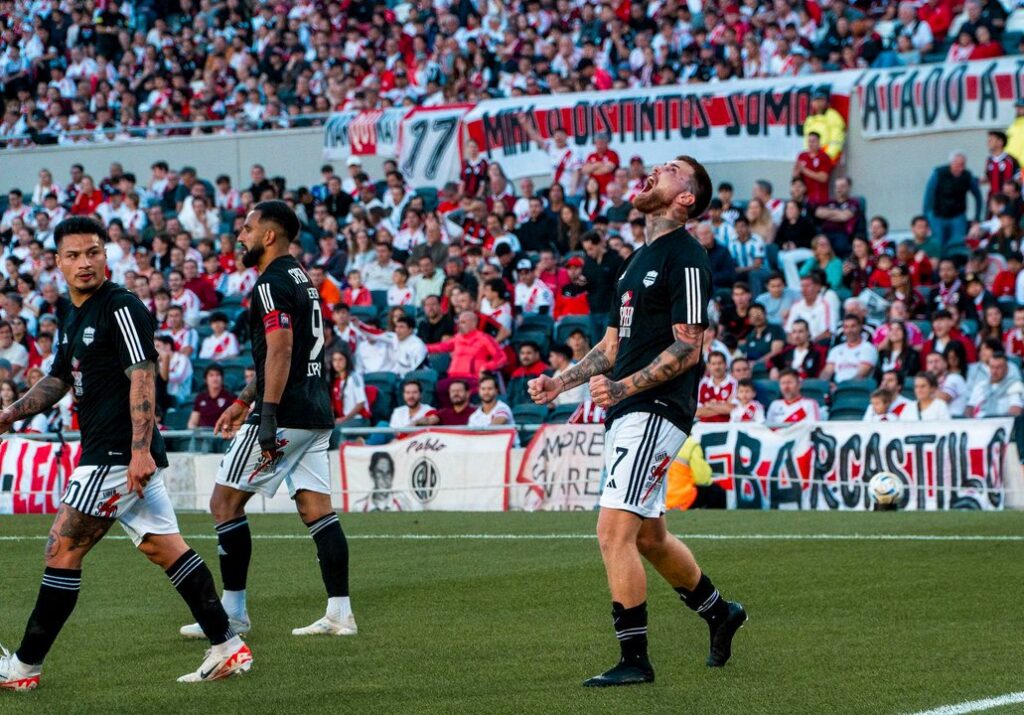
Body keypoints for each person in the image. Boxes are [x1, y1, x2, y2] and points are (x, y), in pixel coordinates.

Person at [0, 217, 252, 688]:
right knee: (166, 548)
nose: (84, 262)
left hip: (116, 454)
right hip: (116, 452)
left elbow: (142, 374)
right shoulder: (72, 312)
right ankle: (227, 646)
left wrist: (139, 451)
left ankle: (24, 667)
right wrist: (11, 413)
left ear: (105, 255)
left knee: (63, 548)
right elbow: (58, 378)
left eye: (93, 252)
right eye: (73, 255)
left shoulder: (121, 307)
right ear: (56, 262)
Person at [528, 156, 746, 688]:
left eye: (670, 169)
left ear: (685, 197)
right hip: (629, 409)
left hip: (655, 408)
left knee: (611, 533)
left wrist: (626, 387)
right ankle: (720, 612)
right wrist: (562, 381)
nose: (655, 169)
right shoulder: (634, 261)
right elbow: (611, 345)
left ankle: (635, 660)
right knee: (648, 537)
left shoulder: (686, 257)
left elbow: (689, 347)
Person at [178, 201, 355, 641]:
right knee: (317, 509)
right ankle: (340, 613)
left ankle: (233, 615)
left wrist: (266, 415)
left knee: (223, 504)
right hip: (315, 411)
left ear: (269, 235)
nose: (241, 234)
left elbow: (280, 349)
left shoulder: (270, 284)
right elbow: (282, 354)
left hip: (286, 413)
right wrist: (242, 400)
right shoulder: (302, 279)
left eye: (248, 227)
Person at [922, 152, 983, 255]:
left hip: (957, 216)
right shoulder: (938, 174)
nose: (960, 168)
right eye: (957, 165)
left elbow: (978, 196)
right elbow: (928, 196)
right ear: (951, 163)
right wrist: (925, 218)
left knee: (957, 245)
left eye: (962, 165)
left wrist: (977, 218)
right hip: (938, 216)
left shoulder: (967, 176)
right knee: (938, 245)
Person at [822, 315, 878, 384]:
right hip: (837, 388)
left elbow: (861, 375)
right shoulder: (836, 350)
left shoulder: (868, 348)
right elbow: (827, 372)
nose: (849, 330)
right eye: (846, 327)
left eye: (853, 326)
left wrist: (842, 387)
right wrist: (824, 384)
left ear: (860, 327)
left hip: (858, 388)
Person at [966, 351, 1024, 417]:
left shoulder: (1015, 385)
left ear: (1006, 369)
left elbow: (1016, 410)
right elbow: (970, 408)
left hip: (1002, 424)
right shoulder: (980, 386)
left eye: (998, 367)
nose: (994, 371)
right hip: (978, 424)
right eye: (992, 367)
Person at [188, 365, 237, 429]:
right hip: (203, 436)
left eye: (218, 375)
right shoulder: (200, 398)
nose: (215, 378)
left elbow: (236, 421)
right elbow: (192, 423)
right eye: (211, 375)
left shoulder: (231, 397)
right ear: (205, 380)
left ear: (222, 378)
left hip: (222, 436)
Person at [803, 90, 845, 161]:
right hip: (812, 155)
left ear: (826, 102)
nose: (818, 103)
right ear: (812, 103)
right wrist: (808, 156)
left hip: (827, 155)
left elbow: (837, 139)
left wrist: (828, 156)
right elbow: (806, 140)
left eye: (821, 100)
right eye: (815, 100)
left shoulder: (833, 116)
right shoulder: (809, 119)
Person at [696, 351, 737, 423]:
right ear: (708, 366)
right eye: (713, 364)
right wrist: (722, 408)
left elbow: (732, 409)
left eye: (720, 363)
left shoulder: (734, 383)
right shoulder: (703, 383)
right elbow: (697, 412)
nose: (717, 367)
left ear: (725, 364)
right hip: (704, 427)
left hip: (726, 426)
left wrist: (709, 405)